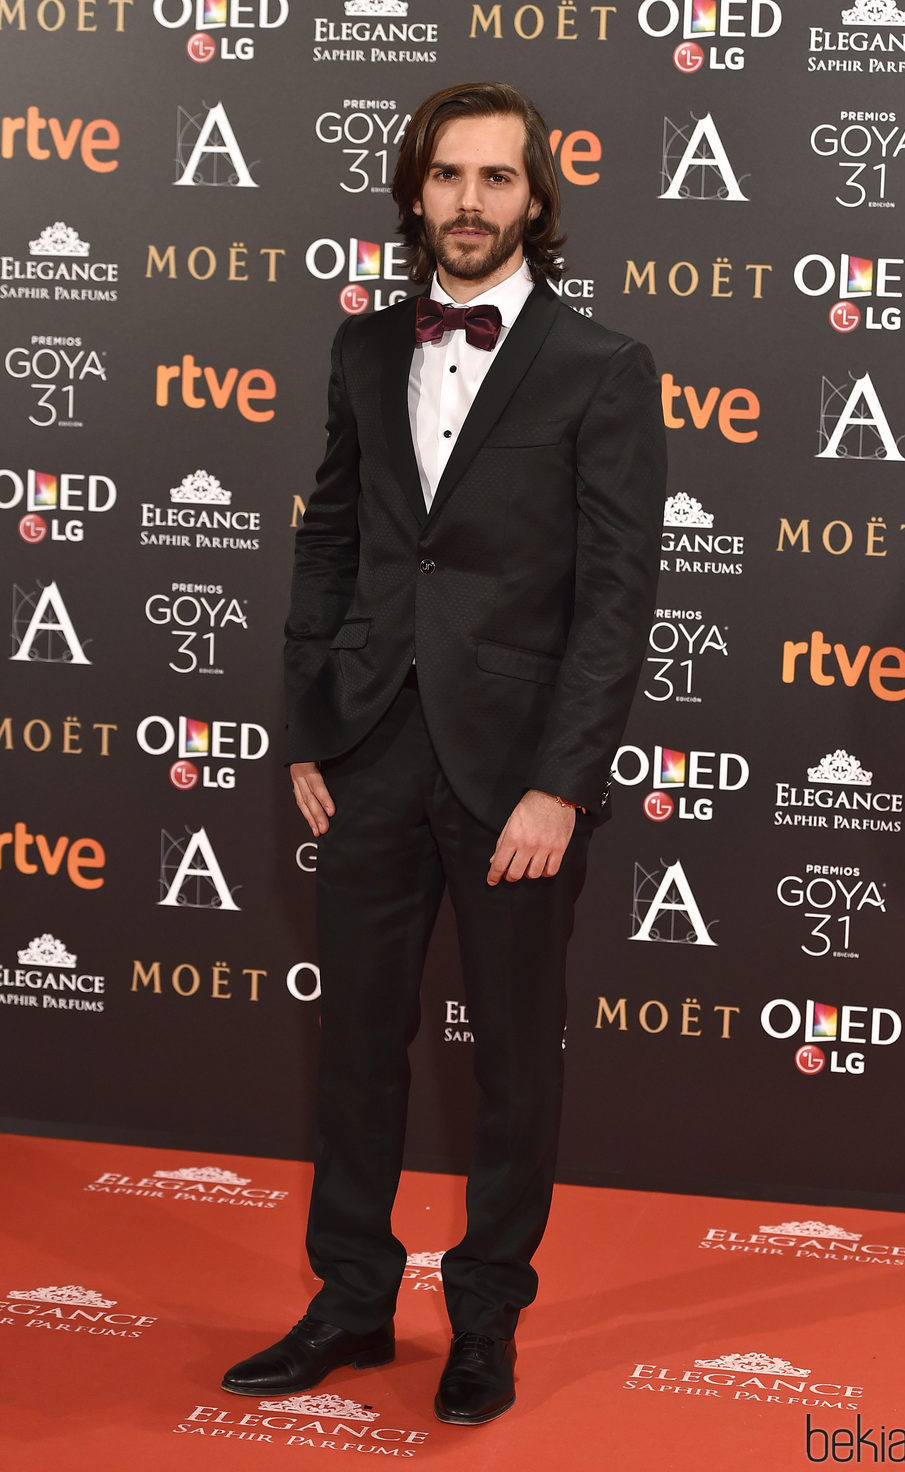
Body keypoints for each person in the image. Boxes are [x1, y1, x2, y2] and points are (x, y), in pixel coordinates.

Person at [222, 80, 666, 1426]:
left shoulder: (603, 367)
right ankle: (351, 1300)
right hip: (370, 752)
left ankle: (485, 1320)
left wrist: (560, 782)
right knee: (356, 1044)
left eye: (496, 179)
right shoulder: (363, 347)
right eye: (447, 177)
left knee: (514, 1061)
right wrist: (314, 720)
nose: (469, 202)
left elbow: (617, 596)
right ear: (415, 193)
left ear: (537, 199)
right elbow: (335, 537)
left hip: (516, 770)